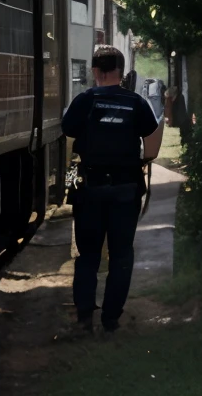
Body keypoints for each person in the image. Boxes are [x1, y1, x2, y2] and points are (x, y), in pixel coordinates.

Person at [62, 45, 163, 332]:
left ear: (95, 71)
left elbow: (68, 129)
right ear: (121, 71)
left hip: (90, 188)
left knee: (88, 255)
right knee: (121, 254)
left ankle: (84, 317)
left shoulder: (85, 100)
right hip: (125, 188)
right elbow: (151, 142)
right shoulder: (136, 103)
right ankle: (111, 318)